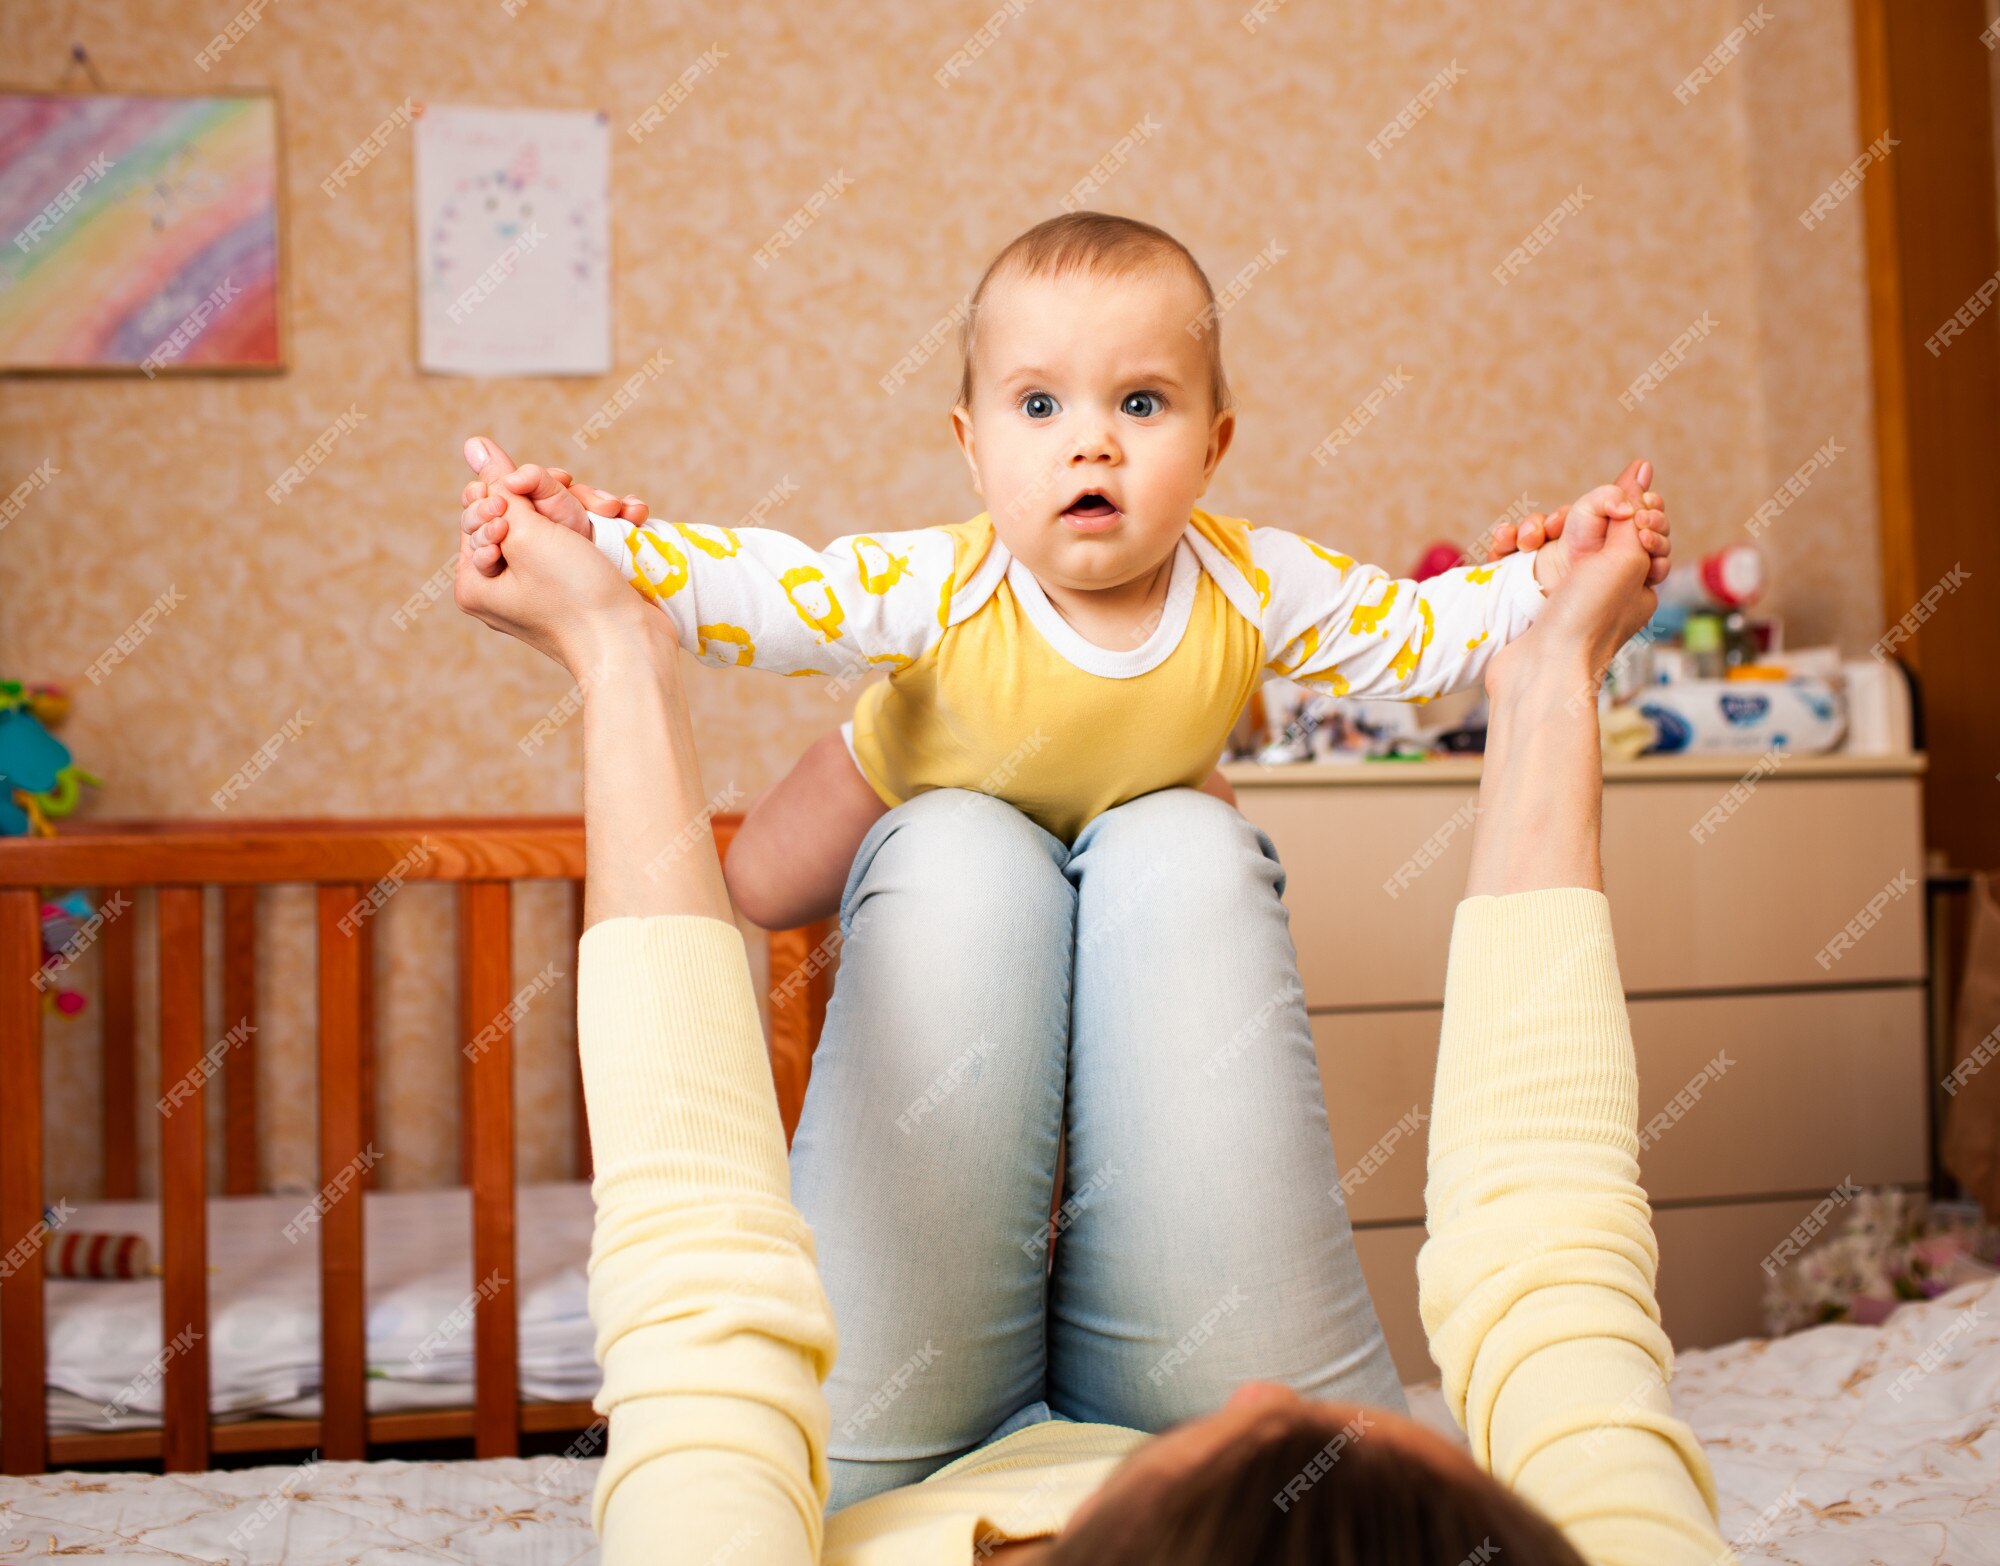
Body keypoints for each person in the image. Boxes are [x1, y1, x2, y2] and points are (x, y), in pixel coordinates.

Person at [453, 461, 1733, 1562]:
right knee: (1175, 843)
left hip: (882, 1466)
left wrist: (616, 649)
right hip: (1289, 1480)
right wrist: (1546, 669)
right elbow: (1547, 1245)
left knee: (960, 845)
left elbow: (692, 1252)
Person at [457, 211, 1670, 933]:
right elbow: (762, 593)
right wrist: (605, 542)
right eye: (1039, 404)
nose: (1090, 440)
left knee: (1212, 879)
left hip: (1140, 797)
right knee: (757, 889)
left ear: (1212, 447)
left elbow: (1413, 637)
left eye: (1140, 402)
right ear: (972, 449)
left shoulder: (1258, 580)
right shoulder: (934, 580)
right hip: (905, 775)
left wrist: (1555, 572)